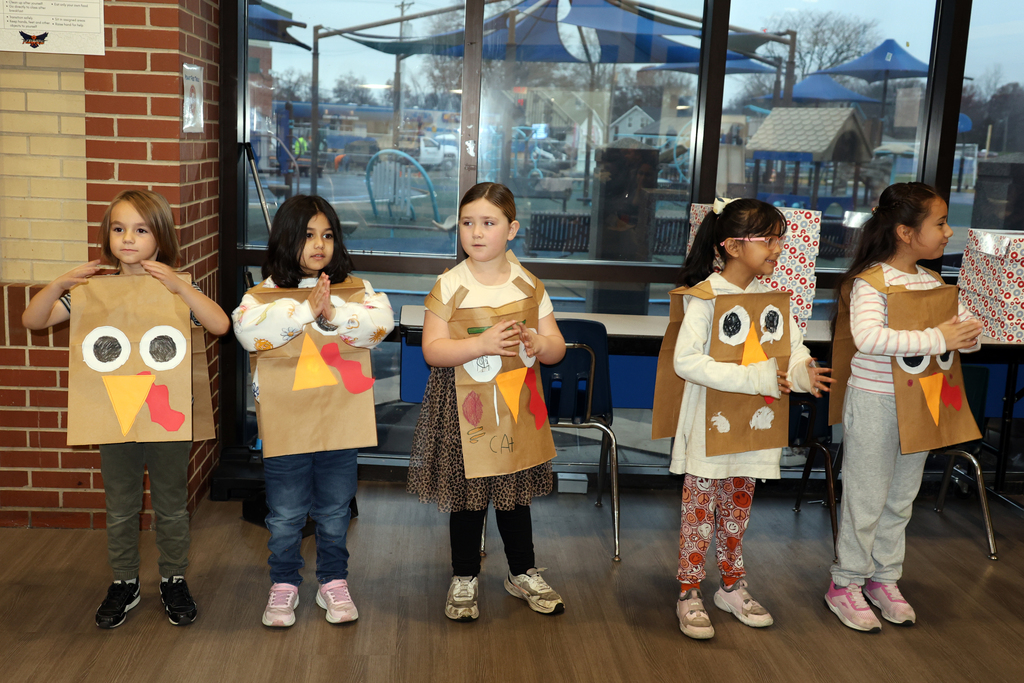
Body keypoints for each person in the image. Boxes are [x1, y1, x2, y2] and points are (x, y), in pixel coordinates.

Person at [22, 189, 231, 629]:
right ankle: (125, 582)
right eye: (119, 229)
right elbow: (33, 321)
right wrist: (59, 284)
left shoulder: (176, 285)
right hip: (112, 413)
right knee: (120, 505)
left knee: (171, 505)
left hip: (165, 414)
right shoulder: (92, 291)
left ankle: (173, 578)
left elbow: (219, 324)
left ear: (162, 236)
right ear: (107, 235)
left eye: (140, 229)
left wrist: (180, 286)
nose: (128, 239)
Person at [669, 197, 832, 639]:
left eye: (781, 238)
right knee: (699, 511)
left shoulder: (773, 299)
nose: (779, 248)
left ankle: (731, 585)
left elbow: (792, 352)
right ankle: (688, 591)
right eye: (770, 239)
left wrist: (803, 373)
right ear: (733, 246)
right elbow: (686, 363)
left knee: (738, 509)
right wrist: (759, 375)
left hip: (756, 426)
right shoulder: (704, 297)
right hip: (709, 426)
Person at [824, 182, 982, 632]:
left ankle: (883, 578)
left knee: (900, 498)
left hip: (922, 403)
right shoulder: (870, 282)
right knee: (865, 498)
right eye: (941, 223)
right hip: (875, 402)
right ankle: (845, 583)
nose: (949, 232)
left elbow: (957, 337)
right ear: (906, 233)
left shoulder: (933, 281)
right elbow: (870, 339)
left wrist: (965, 337)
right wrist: (940, 338)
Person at [232, 195, 394, 628]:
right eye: (307, 235)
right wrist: (305, 310)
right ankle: (283, 585)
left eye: (327, 235)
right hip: (286, 428)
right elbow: (248, 333)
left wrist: (333, 312)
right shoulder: (259, 295)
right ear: (286, 239)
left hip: (340, 423)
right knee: (285, 513)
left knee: (335, 508)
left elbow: (382, 322)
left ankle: (333, 582)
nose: (319, 244)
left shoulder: (356, 290)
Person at [408, 182, 567, 622]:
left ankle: (522, 572)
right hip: (463, 408)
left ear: (511, 229)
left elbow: (556, 348)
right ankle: (464, 577)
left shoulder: (528, 285)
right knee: (468, 496)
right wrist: (480, 346)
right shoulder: (449, 284)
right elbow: (433, 350)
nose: (476, 233)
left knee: (514, 497)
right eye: (467, 223)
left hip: (514, 404)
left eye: (488, 223)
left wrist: (537, 341)